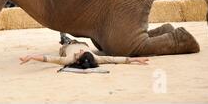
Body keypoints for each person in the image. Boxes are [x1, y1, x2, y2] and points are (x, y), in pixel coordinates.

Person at [19, 36, 149, 69]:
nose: (81, 52)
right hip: (83, 42)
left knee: (65, 40)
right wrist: (136, 59)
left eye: (81, 53)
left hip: (67, 46)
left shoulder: (67, 59)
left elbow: (48, 58)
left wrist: (31, 56)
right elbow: (114, 59)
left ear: (77, 60)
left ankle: (63, 37)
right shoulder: (95, 58)